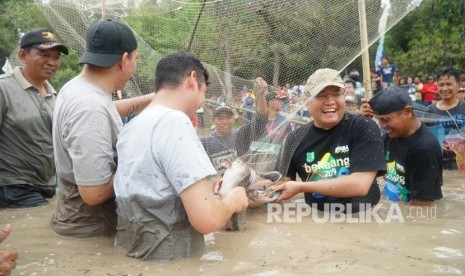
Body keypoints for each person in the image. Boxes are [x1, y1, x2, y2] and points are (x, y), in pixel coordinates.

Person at [113, 51, 249, 261]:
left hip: (133, 256)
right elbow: (207, 220)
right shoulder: (175, 121)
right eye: (203, 93)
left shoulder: (130, 127)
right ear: (192, 80)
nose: (201, 104)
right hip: (172, 261)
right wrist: (232, 201)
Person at [51, 19, 153, 238]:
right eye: (135, 58)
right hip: (90, 229)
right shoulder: (90, 107)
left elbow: (106, 113)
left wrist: (155, 99)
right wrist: (144, 164)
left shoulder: (76, 88)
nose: (134, 66)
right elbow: (94, 193)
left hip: (74, 219)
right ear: (125, 60)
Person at [274, 68, 386, 213]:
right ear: (306, 102)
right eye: (322, 95)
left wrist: (301, 187)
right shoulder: (294, 139)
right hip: (316, 216)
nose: (330, 101)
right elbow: (281, 183)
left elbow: (360, 185)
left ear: (344, 97)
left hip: (364, 216)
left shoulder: (364, 127)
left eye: (336, 94)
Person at [0, 28, 69, 208]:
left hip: (47, 186)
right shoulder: (3, 89)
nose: (52, 62)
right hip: (13, 186)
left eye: (56, 57)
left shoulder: (55, 96)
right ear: (23, 55)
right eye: (44, 55)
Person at [360, 87, 443, 204]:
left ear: (408, 112)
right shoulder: (390, 137)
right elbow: (365, 165)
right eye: (379, 120)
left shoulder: (424, 150)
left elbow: (422, 207)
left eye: (386, 120)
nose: (382, 126)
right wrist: (364, 124)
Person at [201, 78, 267, 174]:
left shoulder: (241, 135)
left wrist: (261, 95)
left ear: (233, 118)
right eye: (220, 118)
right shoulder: (205, 143)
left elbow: (261, 119)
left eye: (228, 117)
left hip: (242, 186)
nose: (225, 121)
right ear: (213, 121)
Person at [427, 68, 465, 170]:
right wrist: (439, 145)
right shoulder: (429, 112)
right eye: (441, 85)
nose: (444, 88)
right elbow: (425, 138)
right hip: (438, 163)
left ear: (459, 85)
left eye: (449, 84)